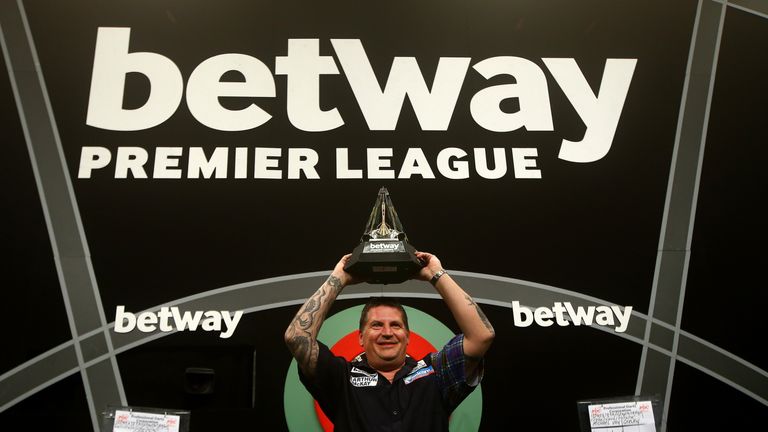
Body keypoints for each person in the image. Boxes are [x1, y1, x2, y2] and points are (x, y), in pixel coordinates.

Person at [284, 251, 495, 431]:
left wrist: (436, 274)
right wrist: (339, 277)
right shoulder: (341, 379)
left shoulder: (435, 373)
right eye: (376, 325)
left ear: (408, 336)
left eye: (395, 325)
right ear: (360, 337)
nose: (387, 332)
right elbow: (296, 337)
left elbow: (481, 335)